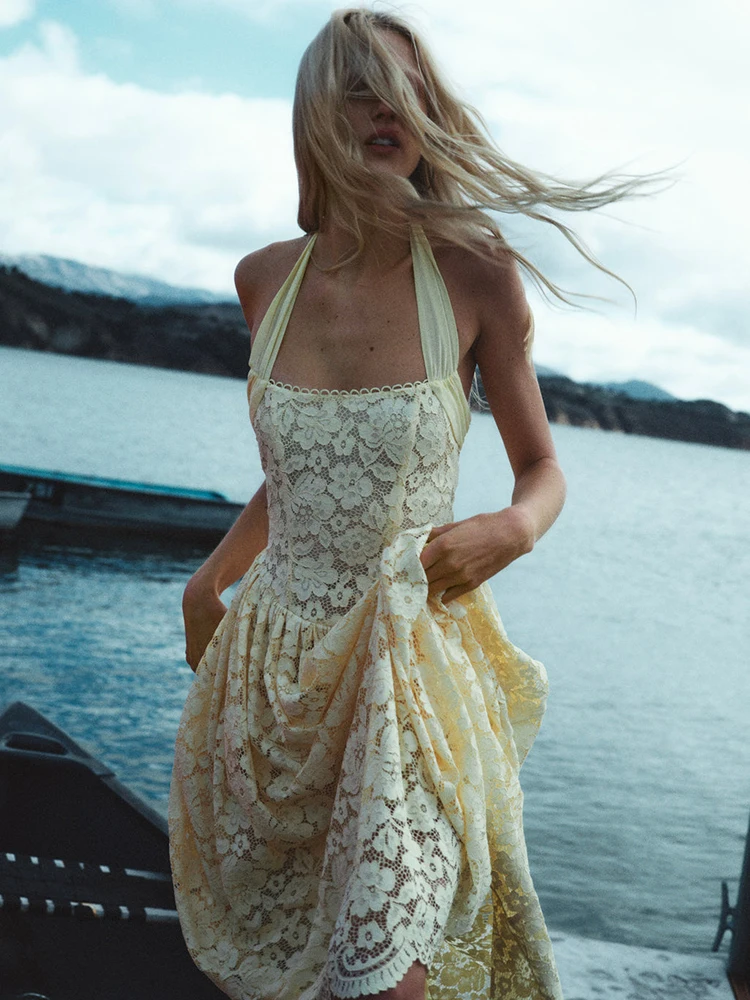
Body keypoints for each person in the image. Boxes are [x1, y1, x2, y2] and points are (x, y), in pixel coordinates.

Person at [168, 9, 662, 1000]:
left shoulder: (475, 270)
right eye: (362, 90)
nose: (389, 110)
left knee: (389, 972)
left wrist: (513, 529)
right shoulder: (263, 279)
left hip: (408, 668)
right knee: (283, 963)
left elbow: (542, 467)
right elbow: (297, 473)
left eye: (408, 92)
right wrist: (207, 581)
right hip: (273, 667)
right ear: (316, 112)